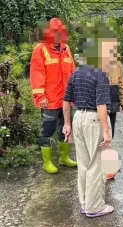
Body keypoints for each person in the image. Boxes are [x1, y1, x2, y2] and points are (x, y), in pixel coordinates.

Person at [62, 24, 116, 218]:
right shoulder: (100, 74)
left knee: (84, 163)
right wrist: (107, 131)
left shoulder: (76, 73)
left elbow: (66, 100)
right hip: (94, 119)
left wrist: (67, 124)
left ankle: (85, 203)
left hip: (77, 118)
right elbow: (101, 106)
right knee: (97, 165)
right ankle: (95, 207)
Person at [30, 18, 77, 174]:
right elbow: (36, 74)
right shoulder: (40, 49)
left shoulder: (66, 49)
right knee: (47, 131)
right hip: (49, 101)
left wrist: (74, 95)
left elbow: (72, 72)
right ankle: (47, 162)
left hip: (65, 100)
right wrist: (40, 97)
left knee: (66, 128)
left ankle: (64, 158)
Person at [104, 57, 123, 179]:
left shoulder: (117, 64)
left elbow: (121, 83)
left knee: (110, 132)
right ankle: (102, 165)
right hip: (99, 100)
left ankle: (108, 165)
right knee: (99, 132)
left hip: (113, 98)